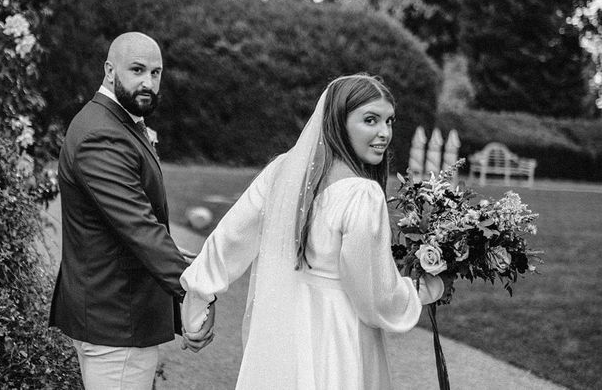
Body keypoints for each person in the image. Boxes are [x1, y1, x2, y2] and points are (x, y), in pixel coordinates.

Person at [180, 74, 444, 389]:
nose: (384, 133)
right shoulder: (361, 194)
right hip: (338, 339)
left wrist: (198, 298)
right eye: (370, 120)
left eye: (389, 121)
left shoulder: (282, 171)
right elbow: (375, 297)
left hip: (282, 336)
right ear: (339, 122)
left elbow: (230, 239)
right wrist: (425, 288)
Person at [50, 32, 214, 389]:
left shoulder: (118, 122)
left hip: (119, 315)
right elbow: (138, 226)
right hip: (116, 321)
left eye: (156, 73)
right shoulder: (100, 134)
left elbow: (134, 218)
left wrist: (170, 252)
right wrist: (193, 289)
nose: (148, 82)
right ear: (110, 71)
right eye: (137, 70)